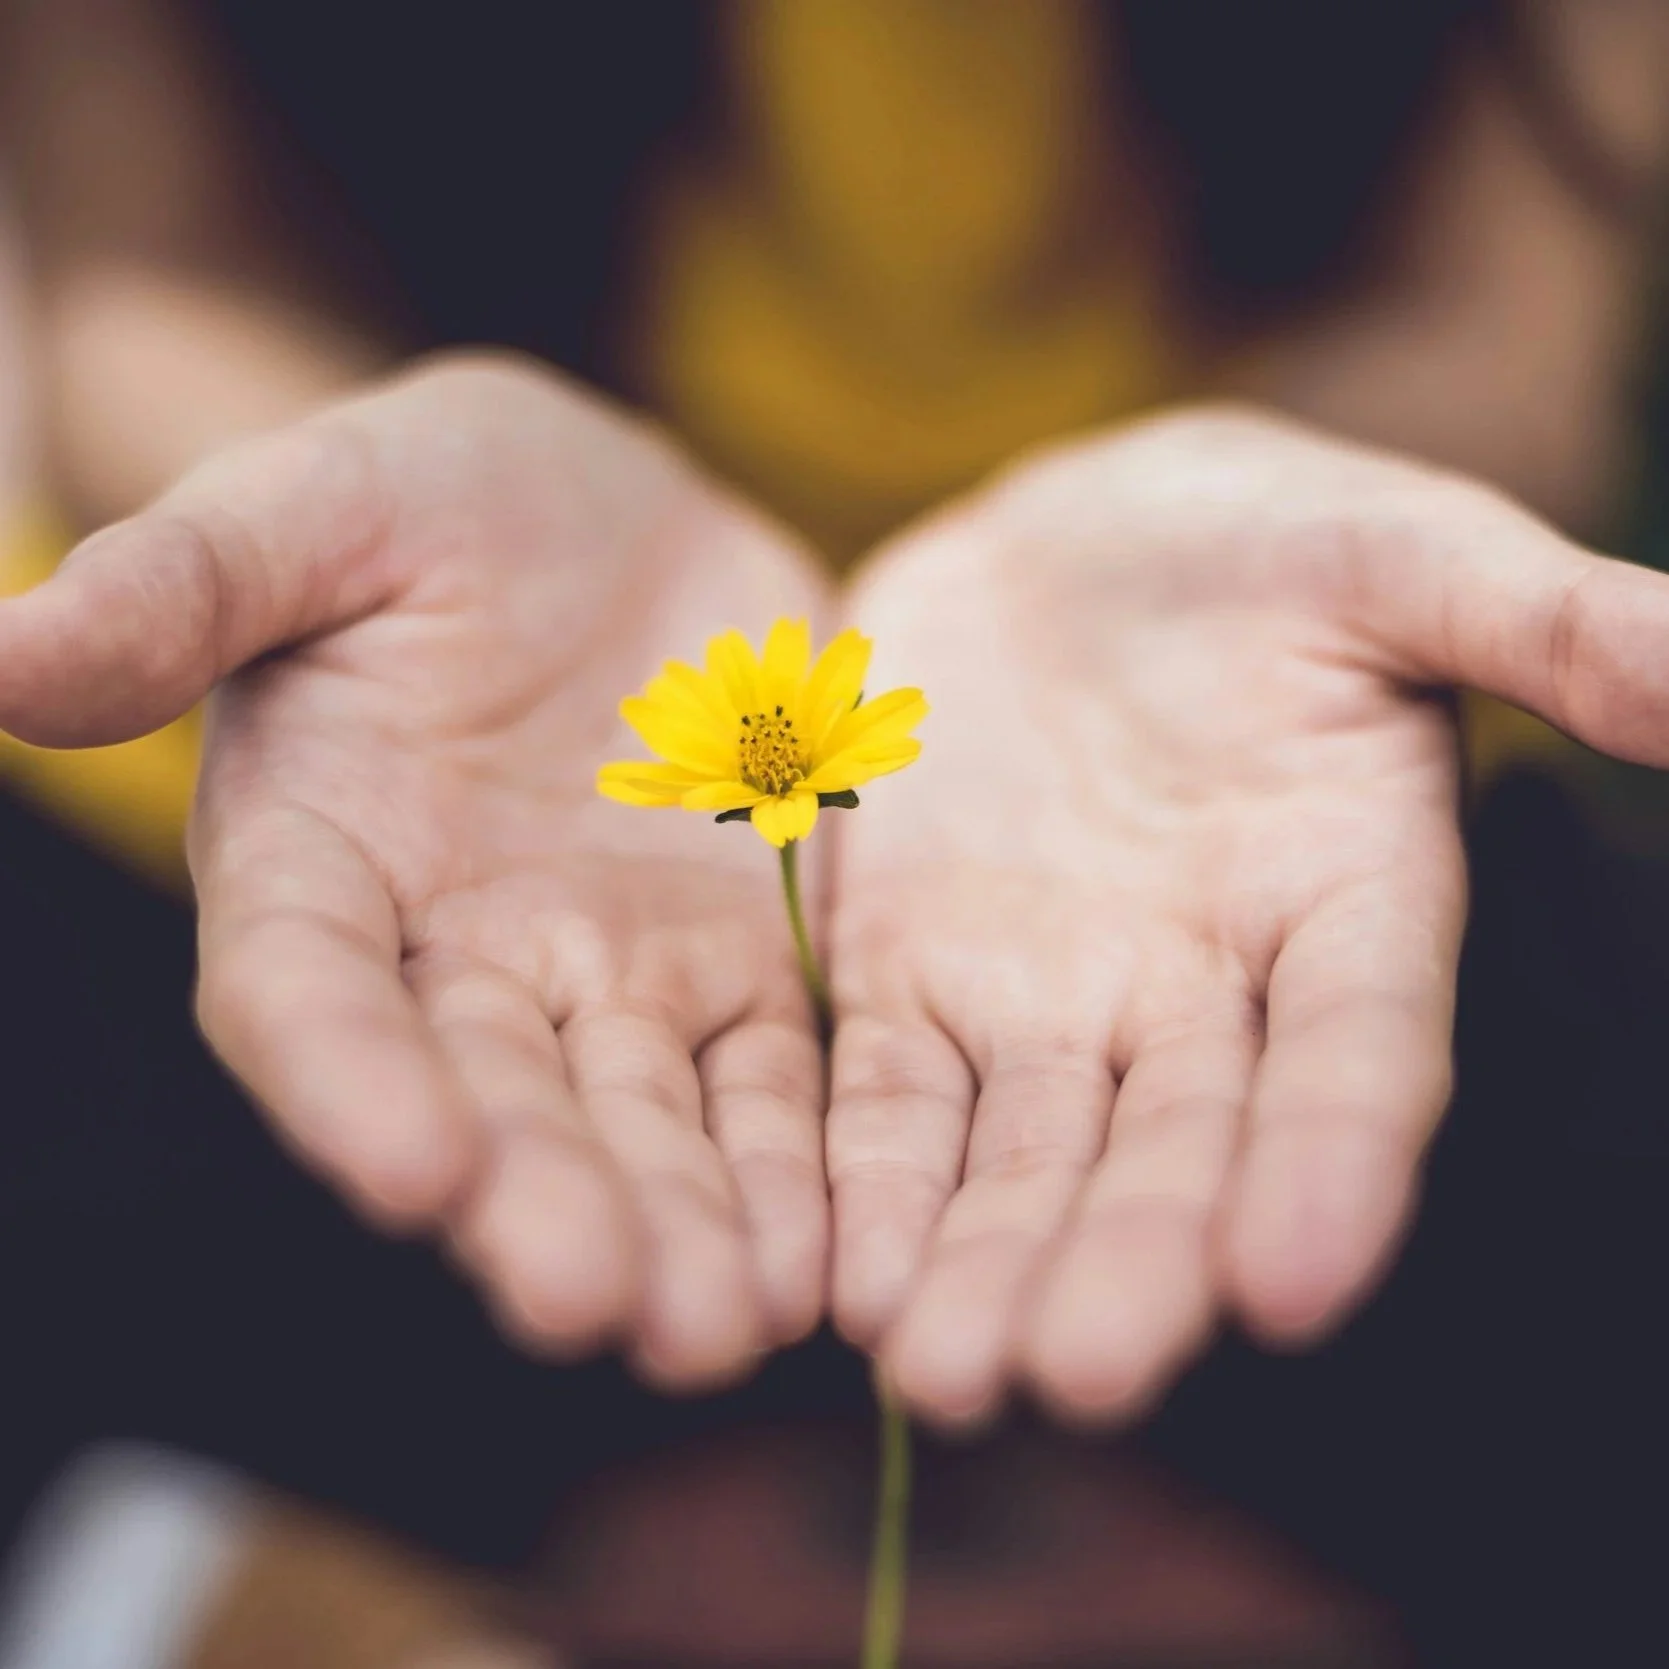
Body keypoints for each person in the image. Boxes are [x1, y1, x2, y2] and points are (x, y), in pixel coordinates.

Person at [3, 0, 1669, 1453]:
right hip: (422, 784)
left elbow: (1494, 326)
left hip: (1232, 794)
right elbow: (153, 270)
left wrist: (1304, 515)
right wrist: (321, 507)